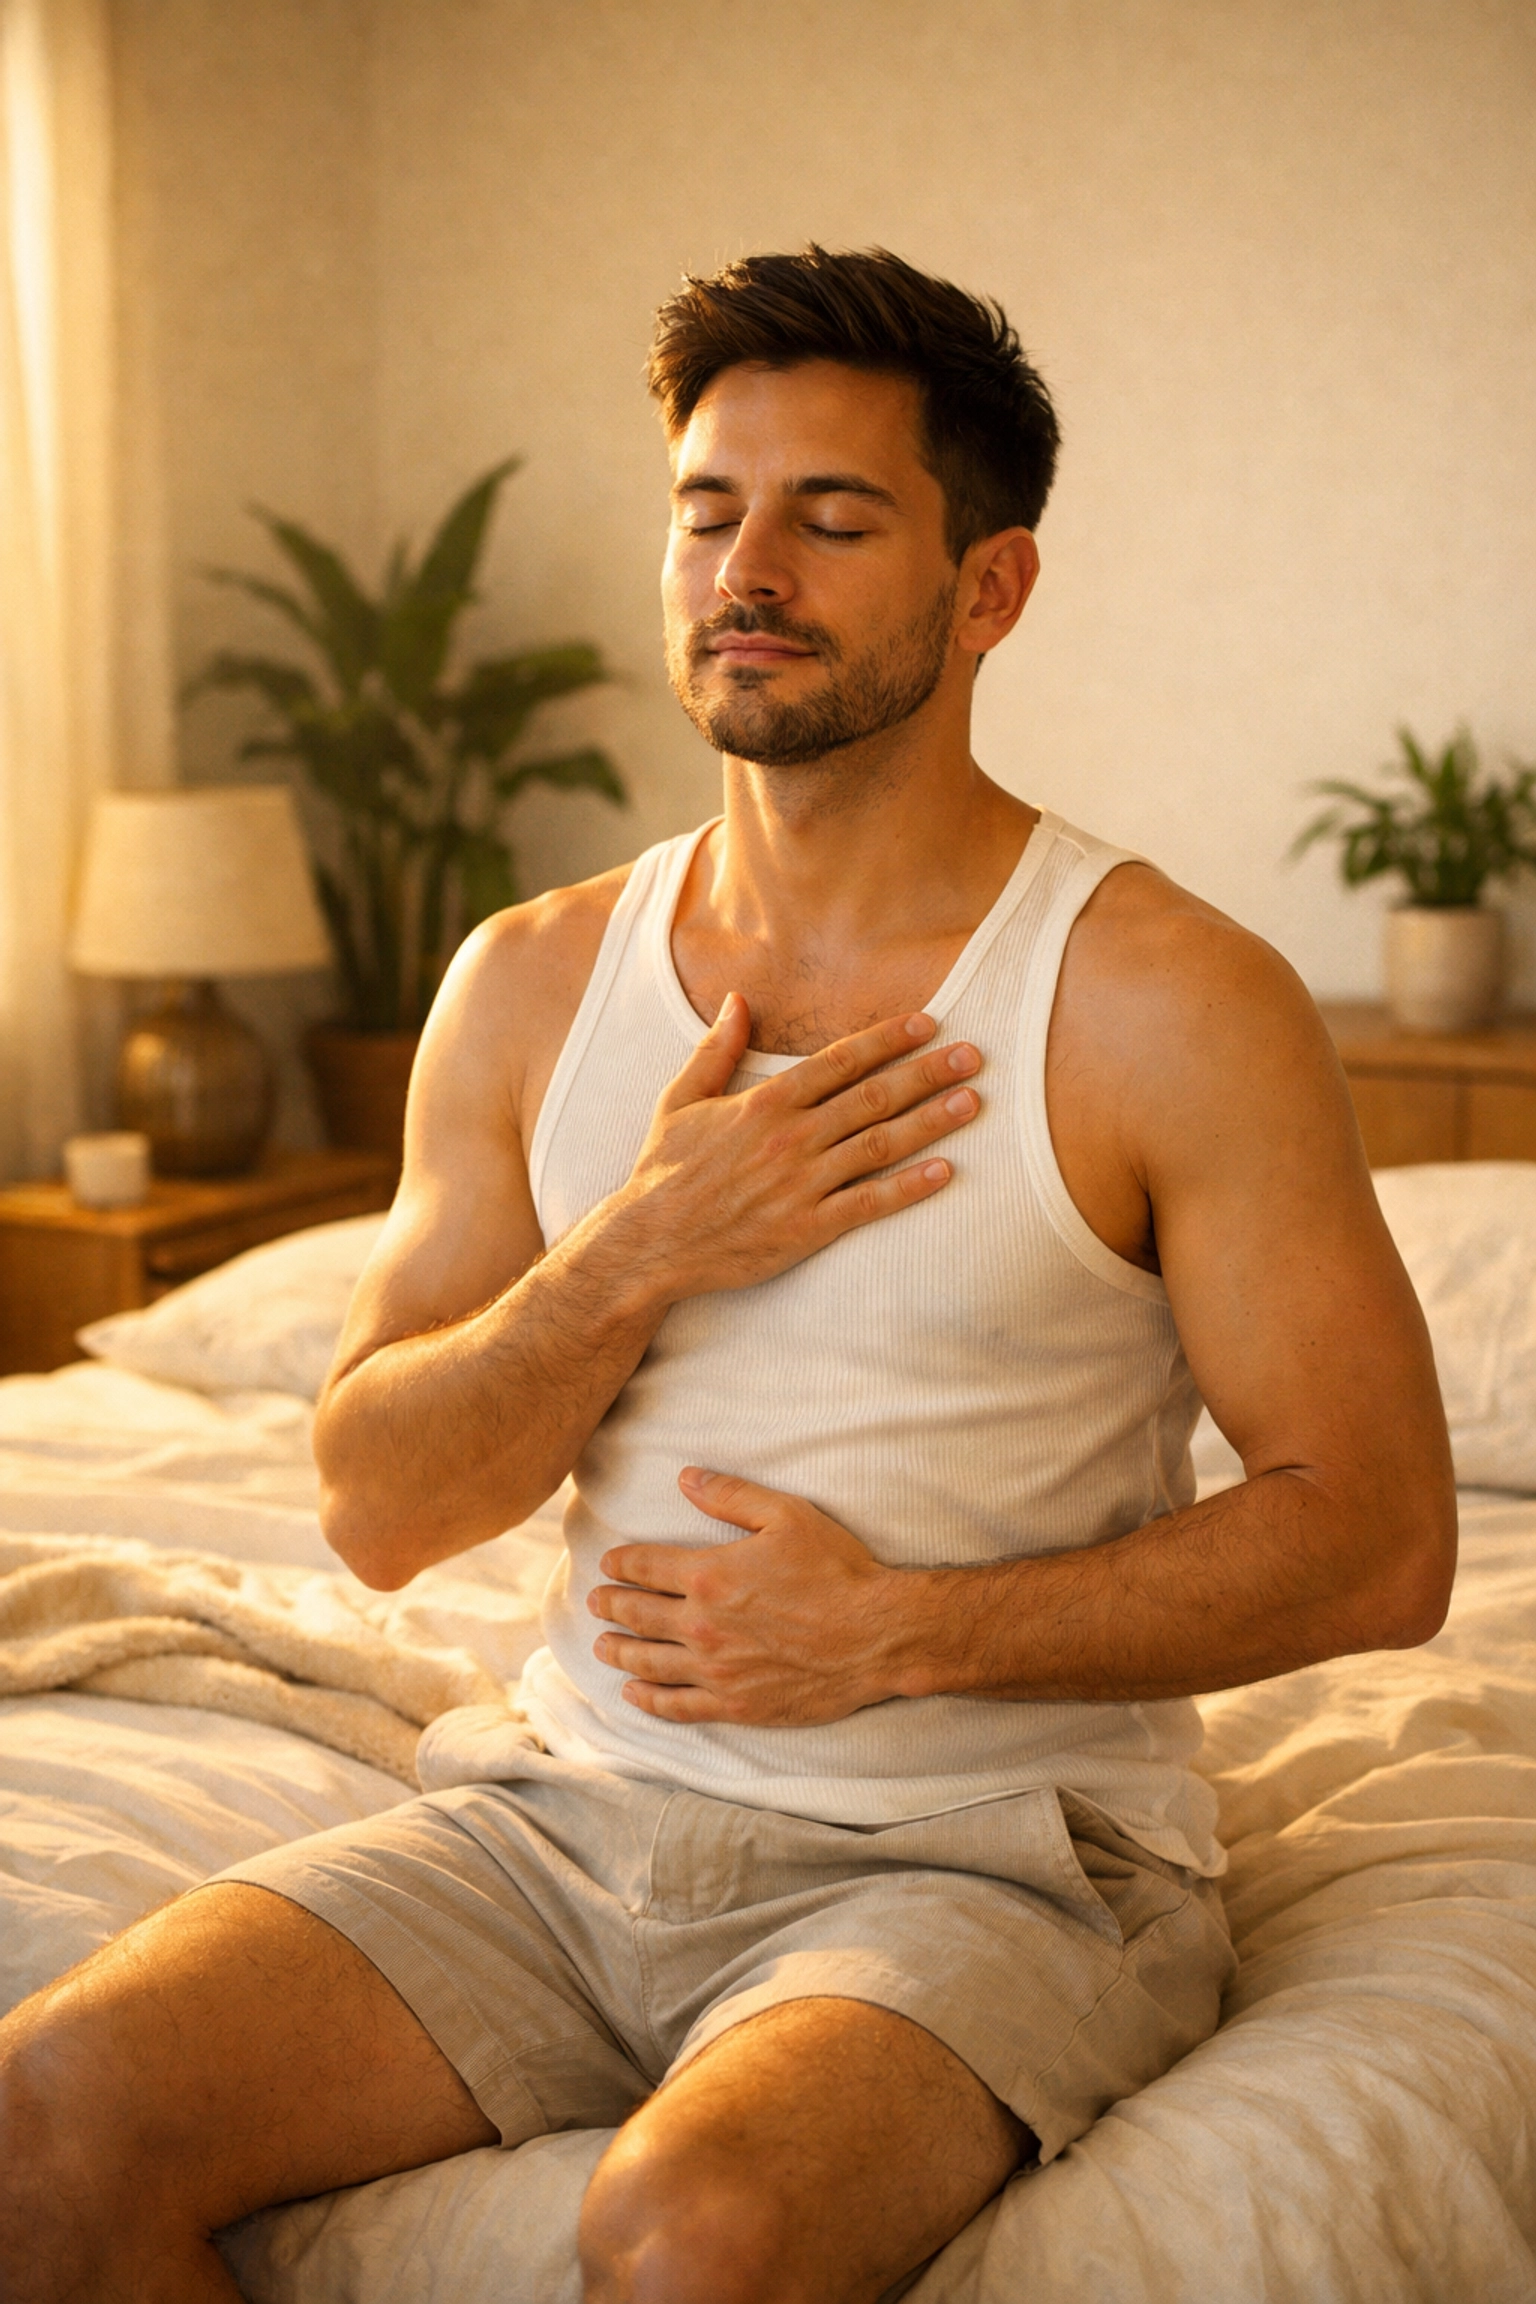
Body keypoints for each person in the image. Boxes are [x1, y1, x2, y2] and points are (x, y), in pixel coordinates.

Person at [0, 246, 1455, 2304]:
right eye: (707, 509)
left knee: (690, 2236)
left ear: (990, 591)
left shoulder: (1165, 1000)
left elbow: (1385, 1543)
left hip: (1001, 1857)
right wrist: (637, 1250)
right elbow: (379, 1507)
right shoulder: (527, 985)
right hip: (566, 1814)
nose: (743, 567)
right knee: (43, 2117)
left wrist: (893, 1635)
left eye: (832, 516)